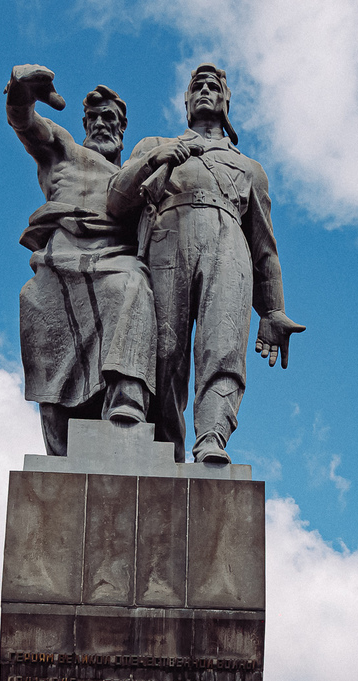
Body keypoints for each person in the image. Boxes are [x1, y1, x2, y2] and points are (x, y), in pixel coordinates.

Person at [107, 64, 305, 464]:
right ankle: (164, 446)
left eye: (214, 86)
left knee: (224, 345)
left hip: (229, 245)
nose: (205, 90)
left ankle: (213, 437)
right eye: (197, 85)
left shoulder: (251, 169)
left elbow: (265, 245)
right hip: (166, 239)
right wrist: (154, 160)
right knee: (164, 350)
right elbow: (116, 201)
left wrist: (273, 309)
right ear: (185, 100)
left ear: (225, 101)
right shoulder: (155, 144)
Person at [5, 66, 155, 455]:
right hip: (62, 262)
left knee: (133, 284)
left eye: (111, 118)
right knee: (38, 304)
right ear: (84, 123)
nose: (102, 124)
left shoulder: (135, 179)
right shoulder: (64, 151)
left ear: (123, 129)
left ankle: (127, 400)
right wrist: (21, 91)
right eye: (95, 117)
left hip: (117, 262)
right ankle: (60, 429)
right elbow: (25, 123)